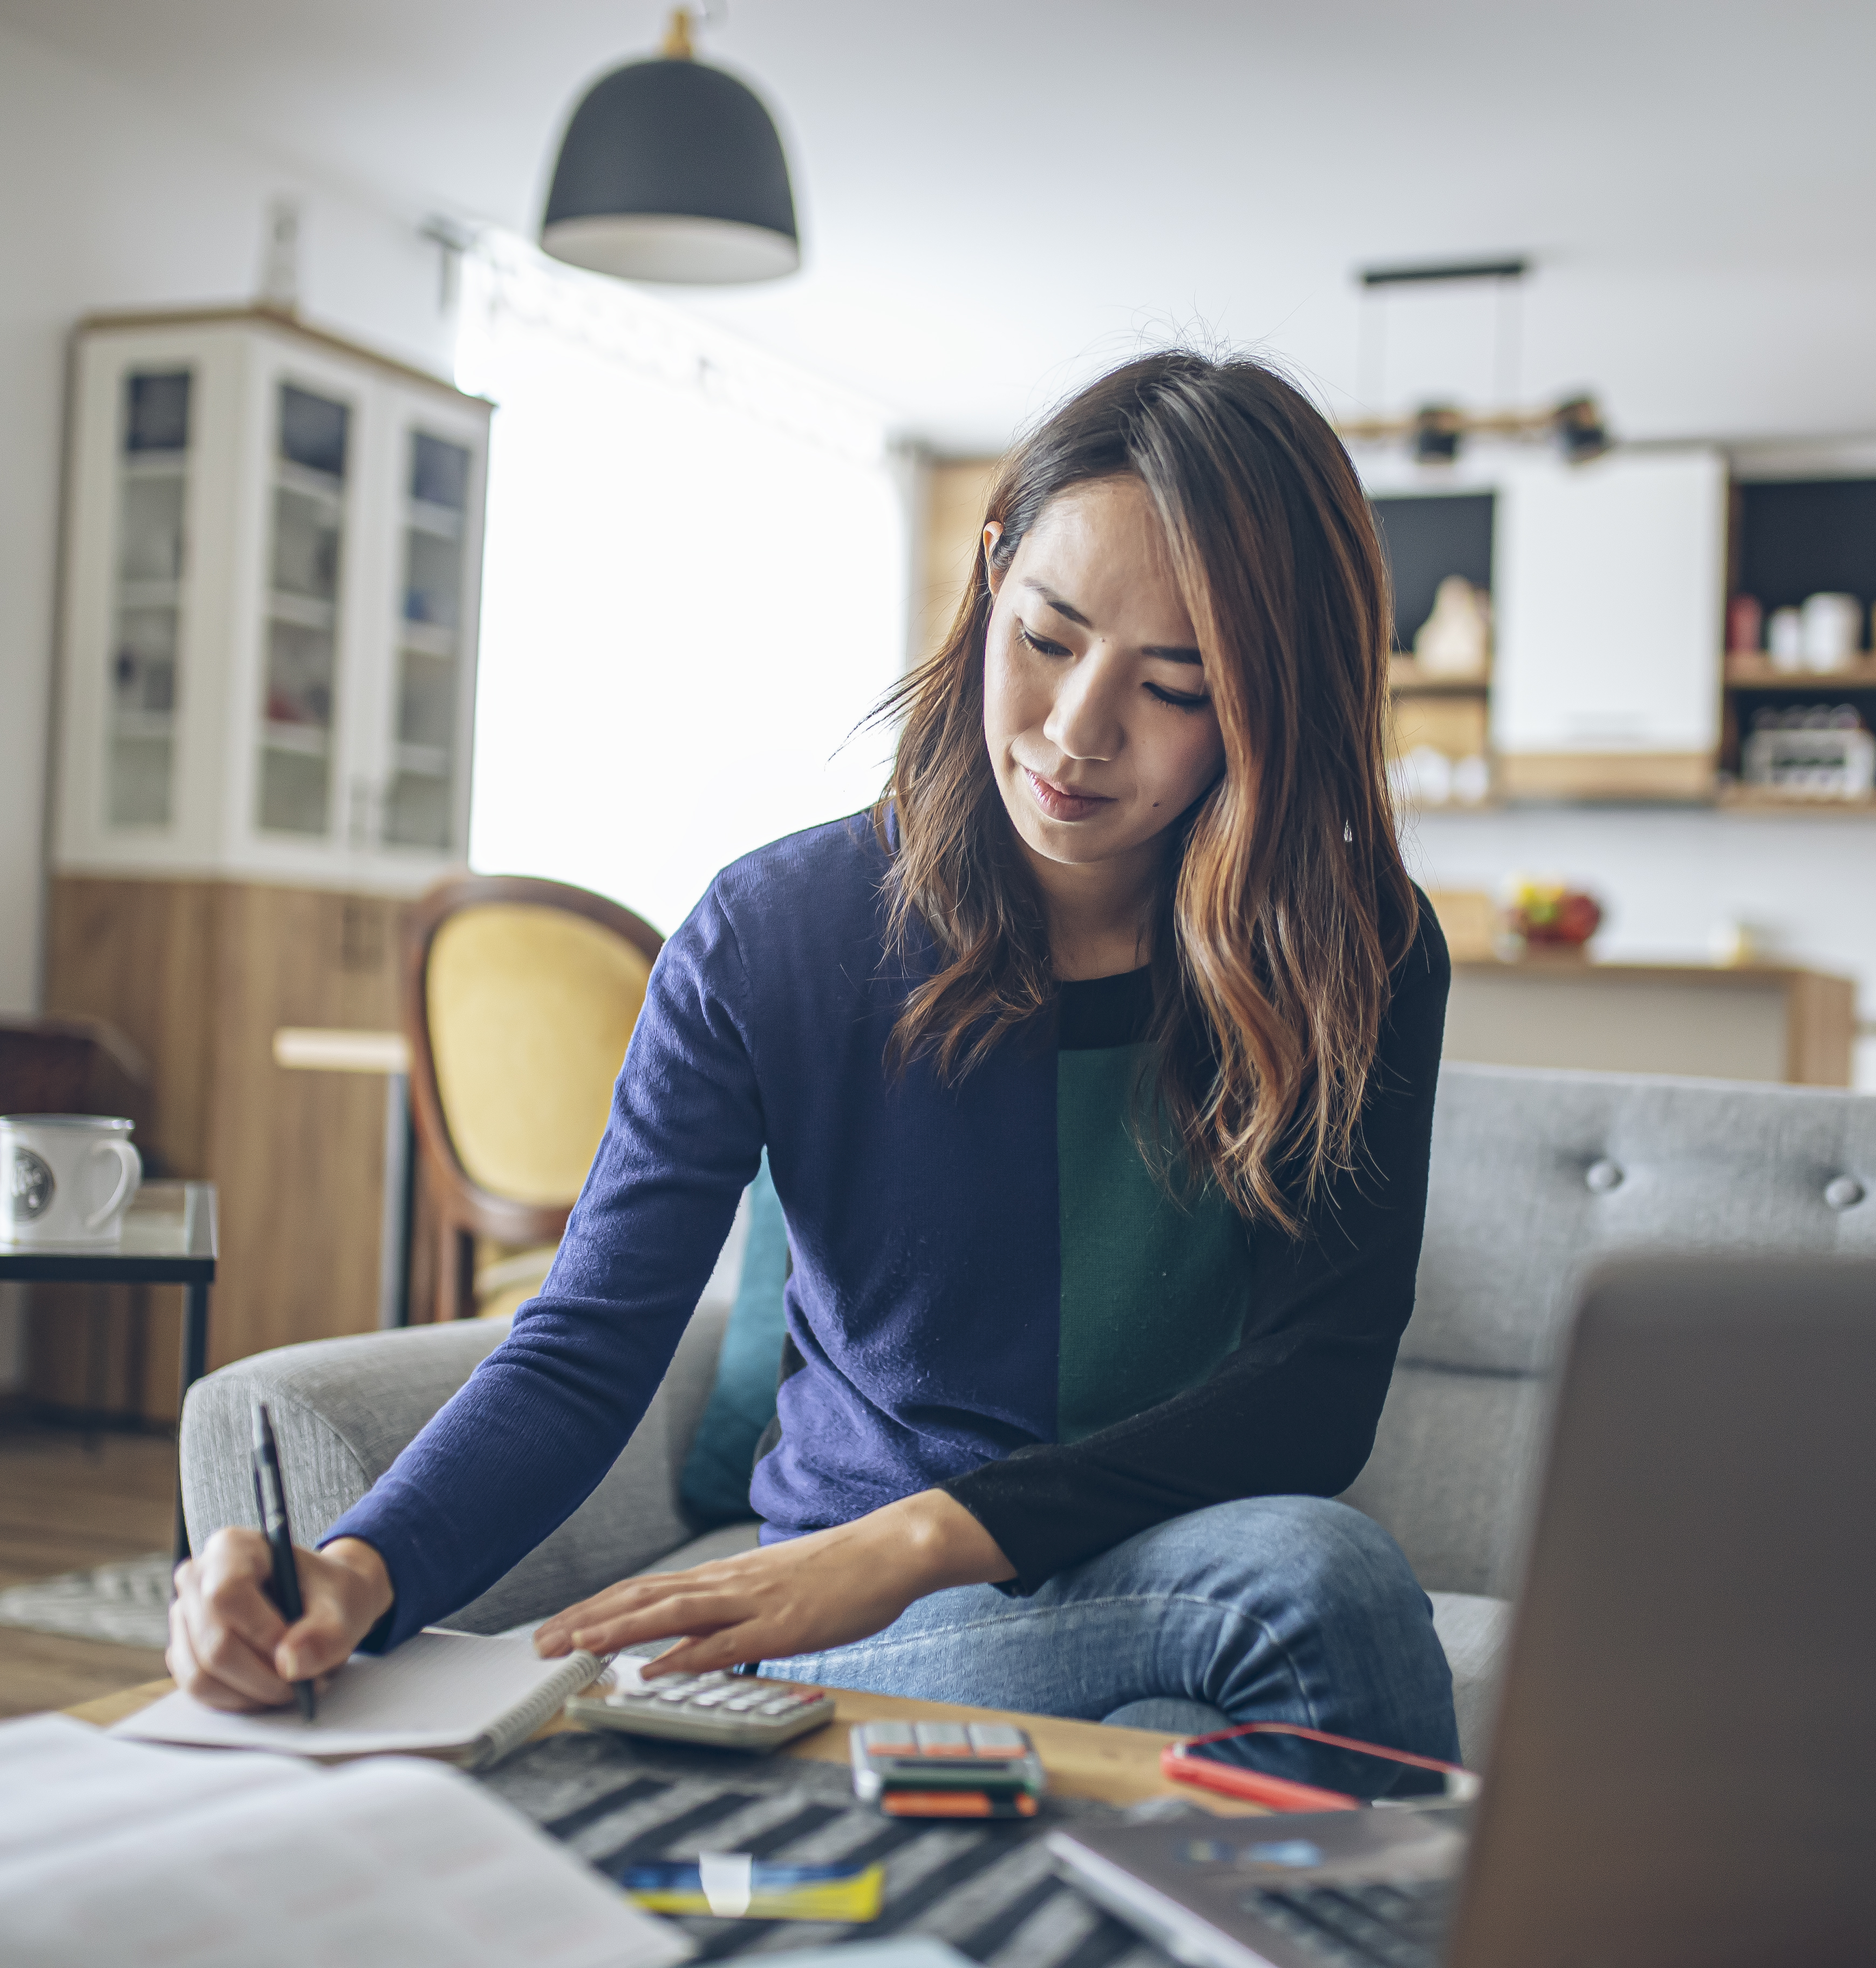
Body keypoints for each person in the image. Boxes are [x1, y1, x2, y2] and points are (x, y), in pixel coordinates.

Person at [167, 350, 1457, 1754]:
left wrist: (914, 1538)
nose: (1079, 733)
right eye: (1047, 639)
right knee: (1306, 1603)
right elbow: (587, 1347)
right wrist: (354, 1574)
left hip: (1138, 1560)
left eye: (1178, 686)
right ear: (989, 575)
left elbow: (1315, 1396)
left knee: (1294, 1596)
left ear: (1273, 709)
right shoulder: (776, 934)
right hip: (868, 1622)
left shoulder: (1353, 949)